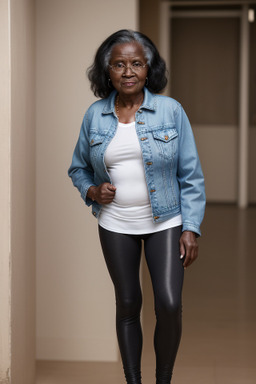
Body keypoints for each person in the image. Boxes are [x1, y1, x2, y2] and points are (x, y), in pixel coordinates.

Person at [68, 29, 205, 384]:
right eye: (119, 64)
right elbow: (78, 168)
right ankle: (133, 381)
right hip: (116, 223)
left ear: (148, 69)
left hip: (166, 220)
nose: (128, 71)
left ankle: (163, 379)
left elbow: (191, 174)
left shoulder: (170, 111)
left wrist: (190, 227)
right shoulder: (95, 115)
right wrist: (93, 191)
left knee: (169, 304)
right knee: (128, 304)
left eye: (136, 63)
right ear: (107, 71)